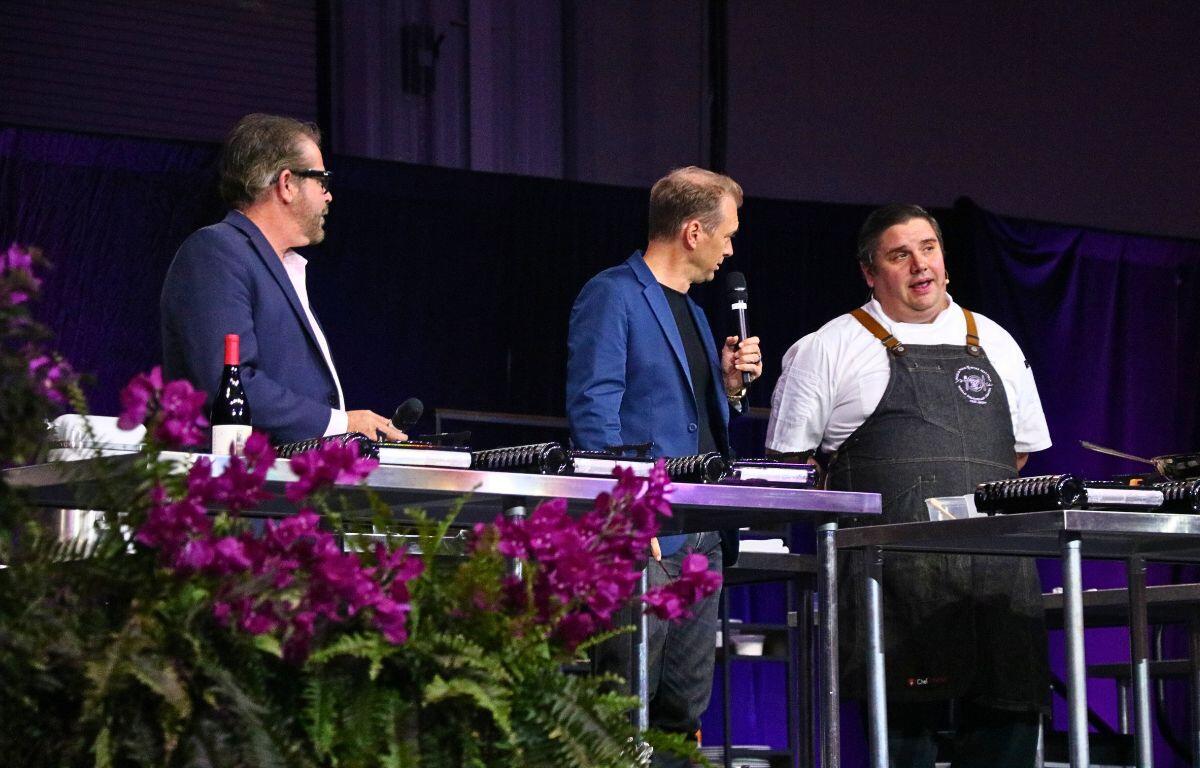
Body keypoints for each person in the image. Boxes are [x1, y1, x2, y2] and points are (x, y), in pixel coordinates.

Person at [766, 204, 1052, 767]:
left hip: (997, 584)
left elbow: (1017, 453)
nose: (920, 265)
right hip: (892, 592)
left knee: (1007, 738)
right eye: (900, 255)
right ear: (870, 272)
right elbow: (791, 463)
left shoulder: (996, 341)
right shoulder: (829, 347)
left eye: (928, 249)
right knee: (900, 746)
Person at [566, 166, 762, 764]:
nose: (731, 249)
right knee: (624, 704)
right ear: (694, 231)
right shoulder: (612, 294)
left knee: (683, 709)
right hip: (648, 533)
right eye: (727, 234)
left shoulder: (695, 313)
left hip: (700, 531)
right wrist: (628, 511)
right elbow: (593, 410)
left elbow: (690, 418)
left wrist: (729, 388)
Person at [161, 113, 404, 445]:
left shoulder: (277, 265)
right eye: (322, 181)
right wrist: (342, 423)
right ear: (287, 184)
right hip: (236, 474)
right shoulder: (216, 251)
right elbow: (231, 384)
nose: (328, 196)